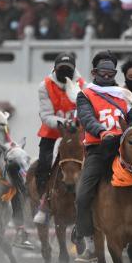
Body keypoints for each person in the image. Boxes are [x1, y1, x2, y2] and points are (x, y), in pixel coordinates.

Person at [72, 51, 128, 261]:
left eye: (110, 72)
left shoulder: (125, 94)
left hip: (125, 148)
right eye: (102, 72)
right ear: (94, 72)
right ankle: (90, 243)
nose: (106, 76)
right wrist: (101, 131)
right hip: (98, 149)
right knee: (82, 195)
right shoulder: (85, 94)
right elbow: (86, 118)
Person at [32, 52, 84, 224]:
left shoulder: (83, 85)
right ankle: (44, 203)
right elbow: (46, 115)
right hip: (53, 134)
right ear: (54, 68)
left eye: (68, 69)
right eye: (61, 68)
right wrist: (64, 123)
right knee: (44, 165)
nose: (64, 72)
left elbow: (87, 110)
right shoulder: (45, 86)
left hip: (77, 136)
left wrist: (77, 123)